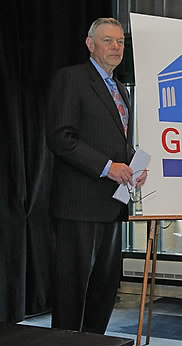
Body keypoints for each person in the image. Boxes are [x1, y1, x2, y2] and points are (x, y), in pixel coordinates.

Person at [47, 17, 147, 334]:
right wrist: (108, 167)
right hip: (79, 204)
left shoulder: (120, 89)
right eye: (108, 40)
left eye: (120, 41)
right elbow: (60, 137)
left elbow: (117, 142)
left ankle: (95, 341)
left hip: (112, 205)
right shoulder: (71, 79)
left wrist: (133, 166)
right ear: (90, 44)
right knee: (71, 292)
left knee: (104, 291)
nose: (116, 47)